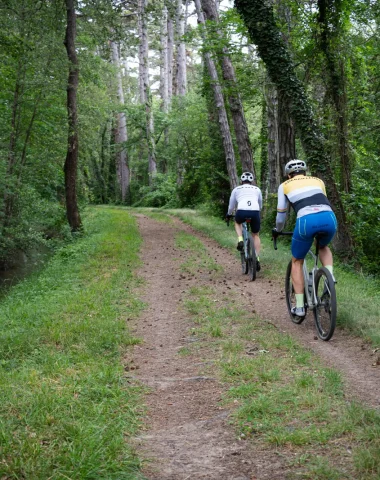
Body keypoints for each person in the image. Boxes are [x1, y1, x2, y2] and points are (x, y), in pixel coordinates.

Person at [273, 159, 337, 317]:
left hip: (306, 221)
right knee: (323, 246)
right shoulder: (318, 181)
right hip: (329, 218)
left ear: (289, 175)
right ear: (305, 172)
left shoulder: (284, 185)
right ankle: (330, 278)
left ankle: (300, 307)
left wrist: (277, 230)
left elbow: (281, 216)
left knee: (297, 260)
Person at [226, 172, 263, 271]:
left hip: (241, 211)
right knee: (256, 235)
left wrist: (229, 214)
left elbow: (231, 206)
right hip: (255, 211)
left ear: (241, 181)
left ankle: (240, 239)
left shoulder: (236, 189)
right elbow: (260, 204)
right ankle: (257, 258)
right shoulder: (257, 189)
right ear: (252, 181)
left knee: (237, 222)